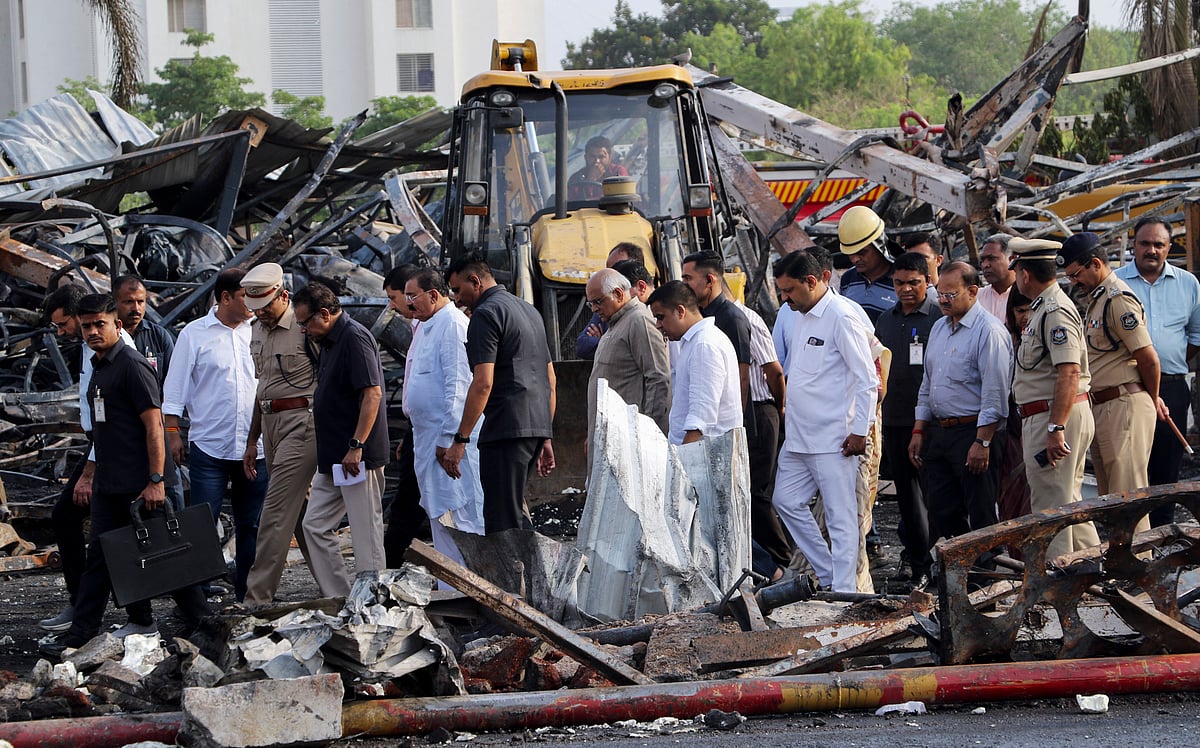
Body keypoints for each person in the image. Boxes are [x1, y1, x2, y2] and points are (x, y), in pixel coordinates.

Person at [40, 294, 210, 658]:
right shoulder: (99, 366)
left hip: (140, 481)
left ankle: (204, 621)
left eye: (99, 324)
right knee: (101, 557)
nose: (92, 332)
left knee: (167, 555)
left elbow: (154, 427)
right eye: (86, 326)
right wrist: (94, 474)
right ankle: (84, 633)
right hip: (110, 482)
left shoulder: (132, 365)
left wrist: (156, 480)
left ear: (117, 325)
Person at [772, 249, 877, 593]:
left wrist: (860, 432)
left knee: (841, 518)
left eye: (789, 290)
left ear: (812, 282)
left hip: (834, 438)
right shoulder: (800, 315)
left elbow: (867, 379)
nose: (784, 298)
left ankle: (844, 592)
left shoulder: (842, 316)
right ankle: (829, 574)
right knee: (785, 501)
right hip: (799, 437)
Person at [163, 268, 267, 603]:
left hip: (256, 448)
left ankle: (247, 595)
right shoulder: (194, 334)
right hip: (209, 447)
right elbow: (174, 390)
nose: (254, 302)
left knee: (252, 524)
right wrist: (173, 433)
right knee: (203, 524)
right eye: (246, 296)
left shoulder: (261, 330)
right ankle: (198, 598)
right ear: (225, 297)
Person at [39, 286, 136, 632]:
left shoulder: (120, 353)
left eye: (63, 323)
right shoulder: (88, 349)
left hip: (113, 452)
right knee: (101, 532)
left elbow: (123, 418)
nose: (60, 332)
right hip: (100, 446)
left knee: (97, 530)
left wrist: (90, 471)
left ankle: (127, 614)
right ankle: (88, 609)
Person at [442, 253, 556, 533]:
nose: (456, 299)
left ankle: (516, 565)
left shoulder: (485, 314)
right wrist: (545, 435)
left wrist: (460, 440)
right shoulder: (529, 311)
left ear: (475, 281)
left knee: (502, 523)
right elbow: (550, 380)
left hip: (506, 429)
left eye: (457, 290)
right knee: (514, 513)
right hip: (533, 427)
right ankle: (528, 563)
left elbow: (483, 383)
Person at [909, 262, 1012, 560]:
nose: (942, 300)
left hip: (973, 431)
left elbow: (995, 394)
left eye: (950, 295)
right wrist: (919, 428)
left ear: (973, 291)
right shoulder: (940, 327)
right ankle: (952, 575)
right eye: (939, 293)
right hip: (940, 431)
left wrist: (983, 442)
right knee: (941, 510)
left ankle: (985, 576)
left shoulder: (989, 331)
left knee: (981, 512)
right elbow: (928, 382)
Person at [293, 281, 389, 597]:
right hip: (335, 455)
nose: (303, 329)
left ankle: (373, 601)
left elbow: (372, 394)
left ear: (324, 313)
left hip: (356, 455)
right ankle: (340, 597)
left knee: (365, 531)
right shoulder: (328, 341)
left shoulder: (354, 337)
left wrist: (356, 445)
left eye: (305, 322)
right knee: (314, 524)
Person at [1059, 233, 1163, 524]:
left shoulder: (1118, 299)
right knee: (1110, 500)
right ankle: (1122, 553)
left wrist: (1153, 398)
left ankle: (1140, 552)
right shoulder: (1098, 299)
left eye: (1076, 274)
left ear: (1095, 264)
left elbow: (1148, 359)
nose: (1074, 282)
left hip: (1124, 405)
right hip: (1104, 406)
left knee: (1127, 497)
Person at [1009, 238, 1100, 560]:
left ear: (1024, 274)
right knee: (1069, 501)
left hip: (1054, 415)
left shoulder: (1054, 310)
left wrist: (1055, 428)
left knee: (1051, 507)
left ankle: (1057, 575)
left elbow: (1070, 372)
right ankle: (1091, 568)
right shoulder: (1045, 308)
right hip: (1057, 413)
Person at [238, 263, 319, 608]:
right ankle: (338, 586)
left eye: (266, 306)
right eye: (254, 308)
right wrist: (252, 440)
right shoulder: (257, 330)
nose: (260, 313)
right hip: (270, 424)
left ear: (283, 296)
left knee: (274, 510)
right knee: (301, 514)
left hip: (303, 423)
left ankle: (256, 598)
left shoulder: (304, 327)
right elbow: (263, 390)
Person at [1115, 218, 1200, 527]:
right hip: (1128, 388)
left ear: (1169, 247)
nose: (1151, 250)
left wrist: (1162, 366)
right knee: (1130, 466)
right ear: (1134, 245)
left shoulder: (1188, 284)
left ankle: (1163, 534)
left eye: (1158, 245)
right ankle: (1132, 537)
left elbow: (1195, 337)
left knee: (1166, 467)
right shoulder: (1115, 283)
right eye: (1145, 243)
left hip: (1172, 388)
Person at [402, 267, 486, 573]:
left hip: (449, 443)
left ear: (434, 294)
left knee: (462, 517)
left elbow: (459, 387)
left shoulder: (452, 324)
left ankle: (472, 588)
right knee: (440, 516)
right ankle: (451, 587)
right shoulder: (427, 325)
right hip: (428, 439)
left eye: (412, 296)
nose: (407, 303)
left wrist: (450, 438)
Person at [874, 252, 942, 583]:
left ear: (927, 281)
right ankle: (919, 566)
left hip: (932, 421)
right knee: (908, 501)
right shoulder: (885, 320)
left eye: (913, 283)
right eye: (899, 283)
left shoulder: (939, 317)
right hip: (895, 419)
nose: (906, 289)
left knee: (938, 497)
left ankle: (945, 563)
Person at [113, 274, 184, 512]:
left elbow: (173, 387)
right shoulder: (108, 341)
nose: (136, 308)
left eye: (141, 302)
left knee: (172, 493)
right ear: (115, 302)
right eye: (128, 302)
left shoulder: (159, 337)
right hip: (124, 435)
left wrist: (172, 432)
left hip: (157, 429)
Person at [646, 280, 741, 444]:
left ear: (680, 311)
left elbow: (701, 417)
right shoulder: (696, 341)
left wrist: (685, 457)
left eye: (661, 317)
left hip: (703, 452)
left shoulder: (704, 345)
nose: (657, 325)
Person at [381, 264, 429, 566]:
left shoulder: (444, 326)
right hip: (420, 430)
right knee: (410, 499)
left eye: (394, 297)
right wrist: (410, 433)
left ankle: (391, 561)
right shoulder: (419, 327)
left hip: (437, 434)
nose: (393, 306)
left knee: (410, 500)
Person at [585, 268, 670, 437]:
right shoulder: (615, 323)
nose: (594, 309)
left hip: (629, 436)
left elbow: (658, 378)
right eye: (591, 304)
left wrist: (647, 432)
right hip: (609, 434)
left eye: (598, 302)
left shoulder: (639, 321)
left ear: (618, 294)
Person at [576, 242, 646, 360]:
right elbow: (582, 345)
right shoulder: (605, 310)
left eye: (617, 269)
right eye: (609, 269)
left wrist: (605, 340)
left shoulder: (644, 316)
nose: (611, 274)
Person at [837, 205, 897, 323]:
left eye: (862, 253)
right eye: (850, 254)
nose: (855, 259)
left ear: (879, 246)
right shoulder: (847, 279)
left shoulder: (902, 279)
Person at [567, 135, 628, 201]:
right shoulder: (576, 179)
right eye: (592, 157)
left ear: (609, 158)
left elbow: (622, 199)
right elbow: (574, 203)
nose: (597, 161)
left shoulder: (617, 172)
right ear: (586, 157)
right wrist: (590, 180)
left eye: (601, 157)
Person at [977, 233, 1017, 320]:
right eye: (982, 260)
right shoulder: (976, 298)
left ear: (1012, 260)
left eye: (992, 259)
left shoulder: (1027, 297)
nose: (985, 265)